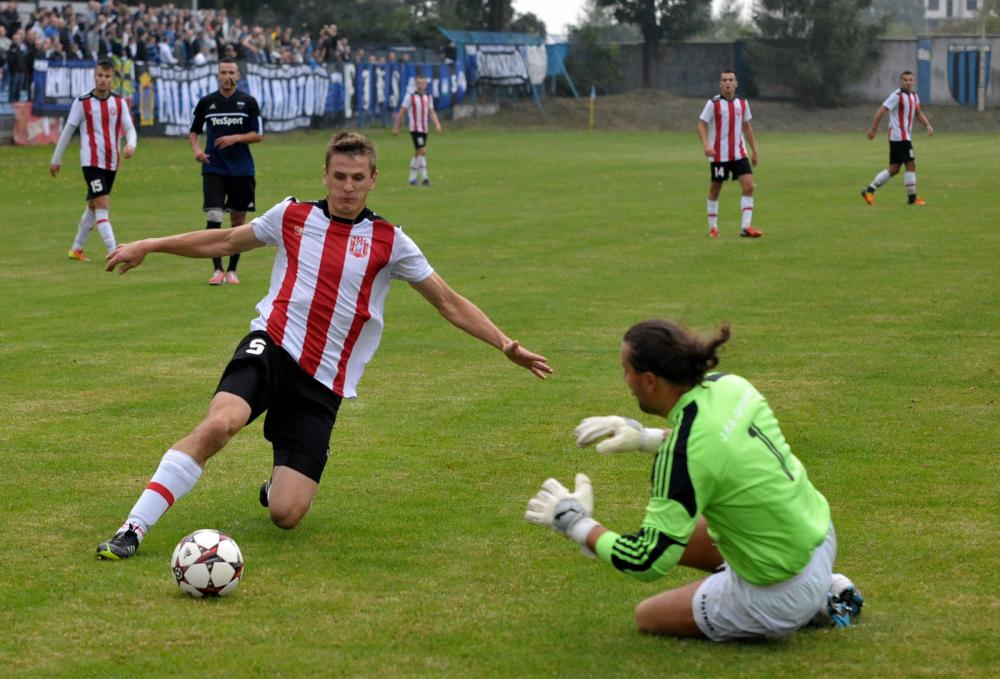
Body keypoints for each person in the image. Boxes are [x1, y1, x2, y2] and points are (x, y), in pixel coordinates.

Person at [96, 131, 553, 560]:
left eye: (358, 178)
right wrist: (151, 244)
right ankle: (133, 528)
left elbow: (448, 302)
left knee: (286, 515)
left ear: (373, 179)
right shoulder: (293, 217)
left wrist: (505, 344)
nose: (348, 188)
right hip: (271, 346)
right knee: (220, 424)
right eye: (339, 177)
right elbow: (226, 238)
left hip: (322, 380)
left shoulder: (390, 241)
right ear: (325, 176)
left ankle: (280, 480)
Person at [524, 319, 863, 640]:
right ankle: (824, 585)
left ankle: (819, 602)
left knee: (649, 615)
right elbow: (717, 443)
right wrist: (643, 438)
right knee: (685, 532)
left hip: (780, 592)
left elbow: (647, 560)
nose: (624, 380)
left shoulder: (684, 456)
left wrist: (575, 523)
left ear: (650, 379)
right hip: (818, 537)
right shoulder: (730, 385)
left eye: (626, 371)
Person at [50, 58, 137, 262]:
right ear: (94, 76)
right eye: (100, 75)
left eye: (107, 76)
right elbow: (68, 131)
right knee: (102, 203)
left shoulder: (119, 103)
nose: (103, 80)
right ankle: (115, 252)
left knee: (93, 205)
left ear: (112, 79)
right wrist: (56, 159)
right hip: (91, 162)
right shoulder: (82, 102)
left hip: (112, 162)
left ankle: (76, 249)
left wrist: (131, 144)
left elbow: (130, 129)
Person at [188, 58, 262, 285]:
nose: (227, 76)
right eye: (223, 72)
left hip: (241, 169)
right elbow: (194, 131)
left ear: (238, 76)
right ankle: (217, 270)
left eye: (231, 72)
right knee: (213, 215)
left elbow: (257, 135)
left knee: (238, 220)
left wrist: (235, 138)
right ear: (218, 75)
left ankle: (232, 270)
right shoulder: (207, 102)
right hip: (213, 167)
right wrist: (197, 150)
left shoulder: (248, 102)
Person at [696, 70, 762, 238]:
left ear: (736, 83)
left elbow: (746, 126)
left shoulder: (742, 103)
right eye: (724, 80)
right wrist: (706, 146)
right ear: (720, 84)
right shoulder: (714, 103)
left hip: (739, 153)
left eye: (730, 80)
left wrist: (754, 150)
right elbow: (701, 125)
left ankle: (746, 227)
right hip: (719, 155)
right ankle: (713, 228)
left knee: (749, 186)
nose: (727, 83)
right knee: (715, 189)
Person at [861, 71, 933, 206]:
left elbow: (918, 113)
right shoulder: (897, 96)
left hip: (902, 136)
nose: (908, 82)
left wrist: (927, 125)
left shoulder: (914, 96)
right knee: (911, 164)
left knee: (894, 168)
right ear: (901, 81)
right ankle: (912, 198)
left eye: (910, 80)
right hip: (900, 136)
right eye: (905, 80)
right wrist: (873, 129)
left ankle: (869, 190)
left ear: (913, 81)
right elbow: (881, 110)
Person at [392, 74, 442, 186]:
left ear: (426, 84)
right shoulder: (410, 97)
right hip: (415, 128)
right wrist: (396, 127)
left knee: (419, 152)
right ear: (416, 84)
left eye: (423, 83)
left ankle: (412, 179)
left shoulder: (428, 97)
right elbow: (402, 112)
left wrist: (437, 124)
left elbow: (432, 112)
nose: (421, 85)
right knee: (422, 150)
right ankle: (424, 178)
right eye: (419, 83)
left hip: (424, 129)